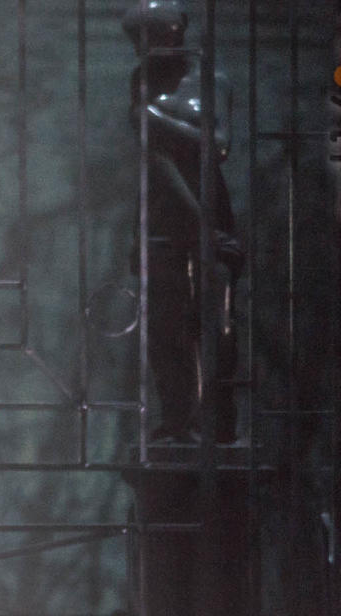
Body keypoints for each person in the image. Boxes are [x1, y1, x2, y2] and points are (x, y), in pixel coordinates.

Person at [124, 0, 244, 445]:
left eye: (152, 35)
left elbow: (219, 146)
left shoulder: (212, 81)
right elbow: (154, 162)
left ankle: (216, 423)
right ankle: (178, 420)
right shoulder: (142, 79)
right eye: (137, 40)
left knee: (216, 327)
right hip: (164, 219)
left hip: (211, 214)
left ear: (176, 31)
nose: (144, 48)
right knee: (163, 331)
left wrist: (155, 120)